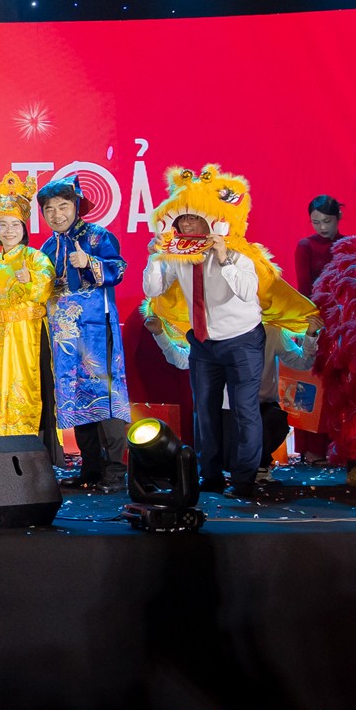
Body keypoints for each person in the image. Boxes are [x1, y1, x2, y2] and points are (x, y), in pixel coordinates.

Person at [144, 211, 268, 497]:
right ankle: (210, 476)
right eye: (181, 219)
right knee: (205, 412)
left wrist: (224, 258)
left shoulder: (238, 250)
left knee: (245, 411)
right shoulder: (179, 252)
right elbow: (153, 288)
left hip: (242, 340)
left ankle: (244, 480)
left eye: (193, 218)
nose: (186, 224)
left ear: (212, 220)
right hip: (203, 342)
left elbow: (248, 291)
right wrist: (155, 257)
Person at [37, 176, 131, 490]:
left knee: (104, 393)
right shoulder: (48, 247)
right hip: (64, 336)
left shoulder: (97, 236)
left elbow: (118, 269)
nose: (56, 214)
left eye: (63, 206)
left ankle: (115, 469)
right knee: (75, 395)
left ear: (76, 206)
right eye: (49, 209)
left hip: (95, 331)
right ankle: (90, 468)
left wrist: (89, 261)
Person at [0, 173, 56, 439]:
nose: (9, 230)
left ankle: (30, 445)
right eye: (3, 225)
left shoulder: (35, 257)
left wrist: (30, 278)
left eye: (15, 225)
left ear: (23, 229)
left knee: (26, 387)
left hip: (26, 334)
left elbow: (47, 287)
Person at [295, 195, 343, 297]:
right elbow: (304, 290)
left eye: (327, 221)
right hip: (315, 304)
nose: (322, 227)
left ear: (339, 216)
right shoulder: (306, 246)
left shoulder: (349, 244)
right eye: (316, 222)